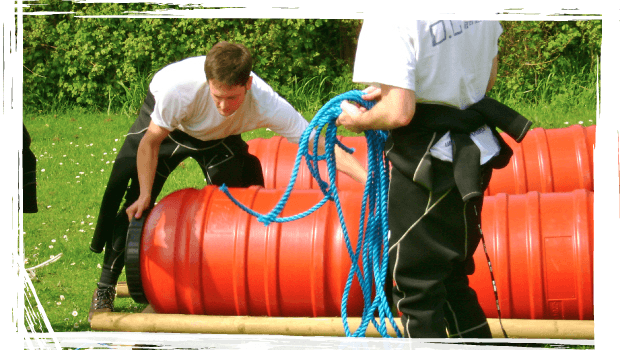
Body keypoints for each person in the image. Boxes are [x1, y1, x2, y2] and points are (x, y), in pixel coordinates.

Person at [88, 41, 367, 322]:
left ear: (247, 84)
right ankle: (105, 286)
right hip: (168, 131)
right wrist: (146, 194)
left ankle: (233, 283)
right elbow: (149, 144)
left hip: (217, 139)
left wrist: (367, 181)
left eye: (232, 98)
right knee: (134, 203)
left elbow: (319, 146)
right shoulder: (180, 90)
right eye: (217, 96)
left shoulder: (266, 102)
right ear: (208, 81)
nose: (223, 105)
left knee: (242, 204)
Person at [337, 20, 531, 338]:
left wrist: (358, 120)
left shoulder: (388, 16)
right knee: (451, 276)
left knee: (416, 289)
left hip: (426, 161)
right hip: (473, 153)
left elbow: (399, 112)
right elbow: (487, 80)